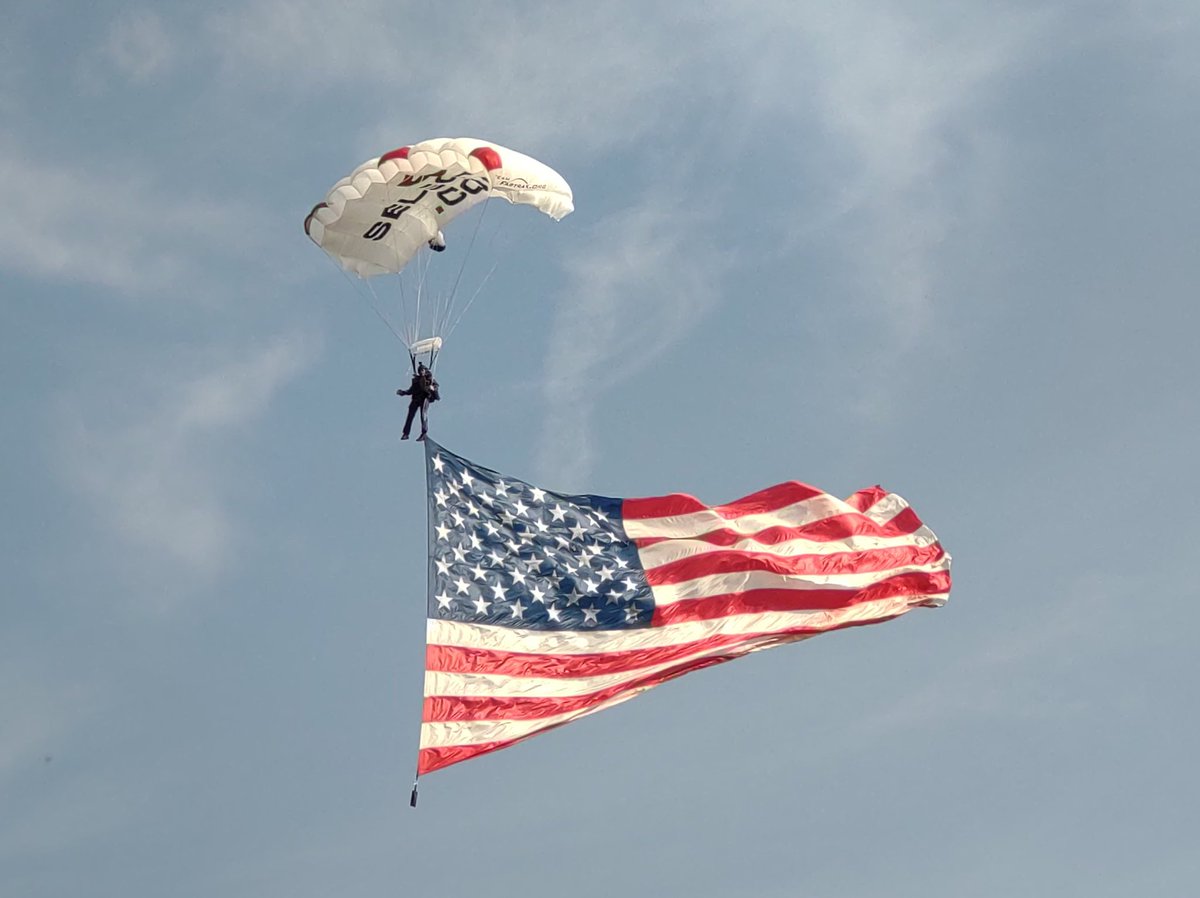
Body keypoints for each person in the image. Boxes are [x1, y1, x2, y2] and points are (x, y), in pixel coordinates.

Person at [396, 363, 439, 441]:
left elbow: (436, 387)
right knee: (410, 415)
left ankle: (424, 433)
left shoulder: (430, 379)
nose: (421, 372)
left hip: (424, 398)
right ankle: (406, 433)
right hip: (416, 399)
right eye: (420, 370)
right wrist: (403, 392)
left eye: (422, 370)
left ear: (425, 370)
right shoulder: (416, 380)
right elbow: (411, 390)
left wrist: (433, 388)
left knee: (423, 414)